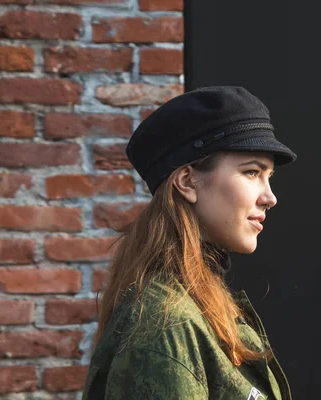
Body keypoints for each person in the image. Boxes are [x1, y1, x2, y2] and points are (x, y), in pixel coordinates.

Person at [82, 86, 297, 400]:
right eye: (251, 172)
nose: (270, 198)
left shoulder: (200, 305)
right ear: (187, 181)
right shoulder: (165, 323)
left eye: (269, 177)